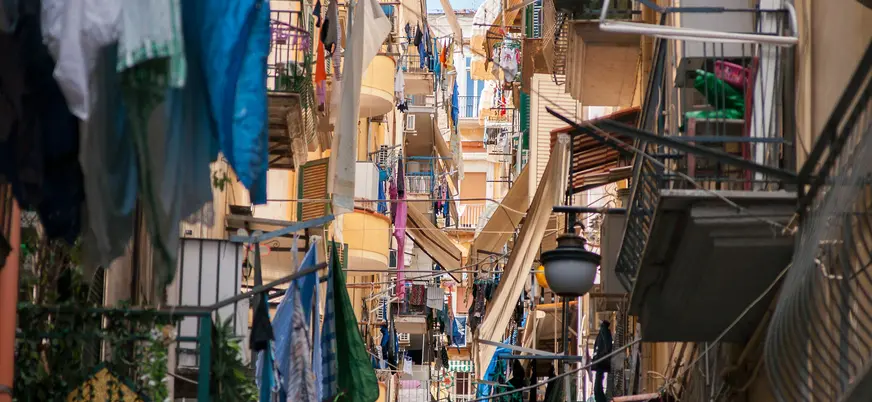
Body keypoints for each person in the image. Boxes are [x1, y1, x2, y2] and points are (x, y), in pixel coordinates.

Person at [592, 320, 613, 402]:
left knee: (598, 386)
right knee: (598, 385)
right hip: (602, 362)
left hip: (601, 362)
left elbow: (599, 347)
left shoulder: (603, 334)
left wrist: (596, 359)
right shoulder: (605, 334)